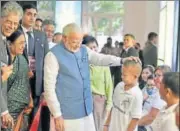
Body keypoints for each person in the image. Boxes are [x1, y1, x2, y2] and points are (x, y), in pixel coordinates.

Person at [44, 23, 140, 131]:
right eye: (75, 41)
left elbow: (100, 58)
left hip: (87, 110)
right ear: (64, 38)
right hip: (67, 114)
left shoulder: (83, 49)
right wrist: (57, 114)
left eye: (80, 41)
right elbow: (49, 89)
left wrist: (121, 60)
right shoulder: (53, 55)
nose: (78, 45)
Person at [19, 4, 49, 131]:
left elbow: (47, 60)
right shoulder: (14, 33)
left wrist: (45, 86)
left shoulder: (41, 35)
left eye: (34, 15)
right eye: (29, 14)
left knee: (35, 118)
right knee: (20, 116)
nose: (32, 17)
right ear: (22, 15)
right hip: (20, 82)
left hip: (37, 83)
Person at [2, 30, 33, 131]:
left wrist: (30, 98)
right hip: (7, 111)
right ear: (9, 44)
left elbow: (26, 82)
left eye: (24, 43)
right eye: (20, 43)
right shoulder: (3, 62)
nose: (23, 46)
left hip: (23, 110)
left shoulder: (22, 59)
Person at [82, 35, 113, 131]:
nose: (93, 50)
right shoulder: (81, 63)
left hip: (99, 100)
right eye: (90, 48)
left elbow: (109, 85)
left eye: (95, 47)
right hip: (83, 98)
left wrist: (109, 104)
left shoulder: (103, 62)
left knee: (97, 126)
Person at [0, 1, 23, 130]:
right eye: (9, 22)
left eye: (15, 23)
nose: (12, 26)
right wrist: (3, 111)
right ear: (1, 18)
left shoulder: (4, 40)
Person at [105, 59, 143, 131]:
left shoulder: (137, 94)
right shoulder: (119, 86)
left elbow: (135, 119)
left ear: (135, 76)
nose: (122, 76)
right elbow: (113, 106)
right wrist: (106, 125)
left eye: (124, 75)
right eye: (121, 74)